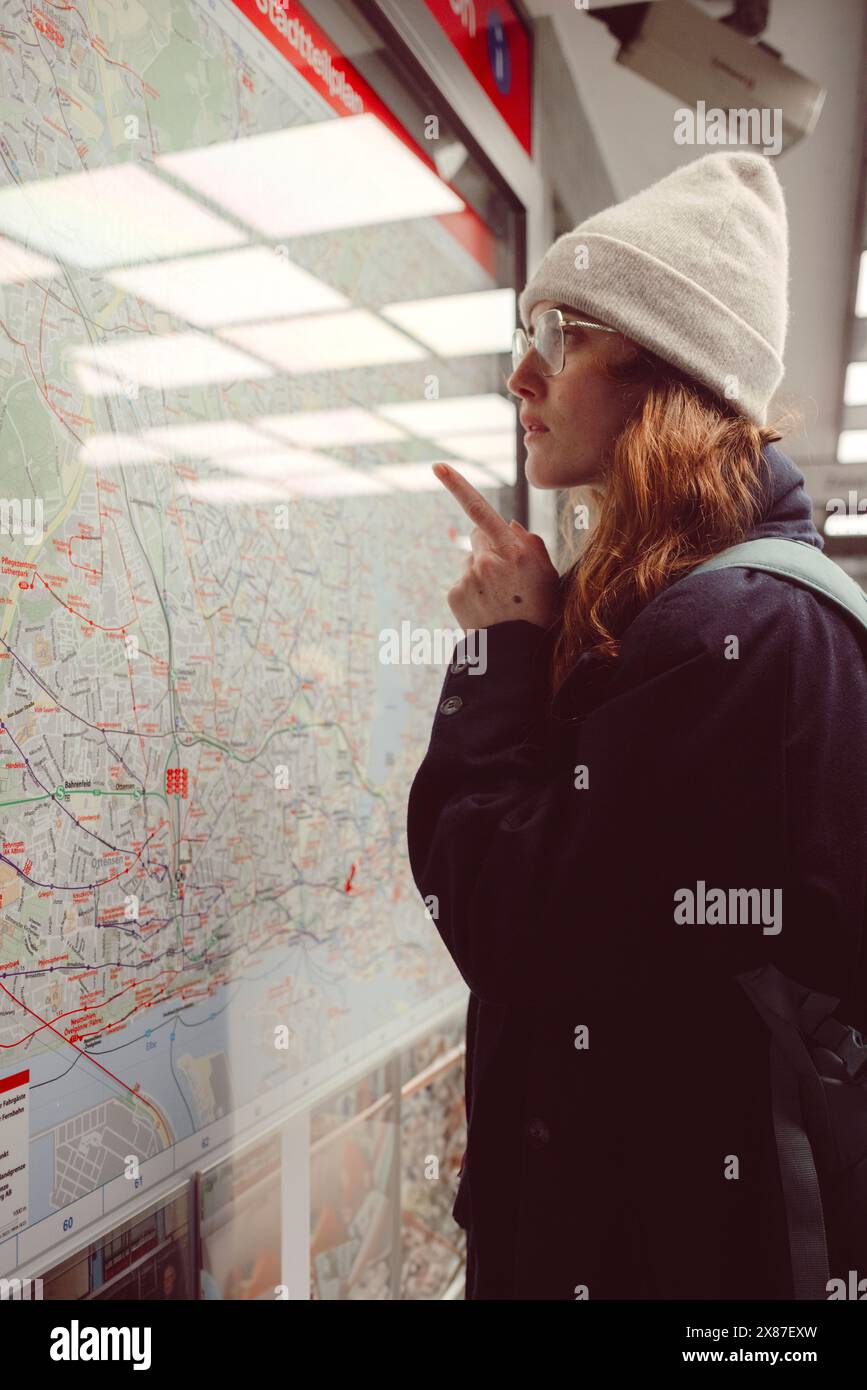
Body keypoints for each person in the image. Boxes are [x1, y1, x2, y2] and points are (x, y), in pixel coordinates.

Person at [406, 152, 867, 1300]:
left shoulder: (734, 633)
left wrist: (503, 654)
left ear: (666, 368)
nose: (521, 373)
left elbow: (518, 926)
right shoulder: (730, 609)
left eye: (560, 334)